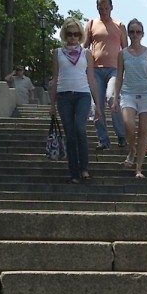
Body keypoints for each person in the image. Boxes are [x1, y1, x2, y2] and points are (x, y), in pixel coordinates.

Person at [48, 19, 98, 184]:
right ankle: (74, 172)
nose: (73, 37)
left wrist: (98, 104)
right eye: (69, 34)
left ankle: (84, 168)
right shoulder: (57, 53)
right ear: (64, 35)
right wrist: (52, 104)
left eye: (76, 34)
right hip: (64, 95)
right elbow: (54, 79)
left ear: (80, 35)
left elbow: (91, 78)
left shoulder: (86, 54)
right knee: (70, 135)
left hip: (83, 94)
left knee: (80, 129)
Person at [113, 20, 147, 176]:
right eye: (132, 32)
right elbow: (119, 76)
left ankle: (139, 167)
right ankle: (132, 149)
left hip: (146, 93)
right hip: (128, 92)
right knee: (128, 125)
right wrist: (114, 98)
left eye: (138, 32)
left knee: (144, 130)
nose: (135, 35)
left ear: (143, 34)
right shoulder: (122, 53)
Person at [85, 0, 127, 151]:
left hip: (114, 69)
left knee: (112, 98)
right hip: (95, 69)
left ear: (111, 7)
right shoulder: (91, 24)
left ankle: (121, 134)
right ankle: (103, 139)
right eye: (100, 8)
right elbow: (84, 47)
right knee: (98, 104)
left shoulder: (119, 25)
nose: (103, 11)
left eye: (106, 8)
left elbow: (125, 50)